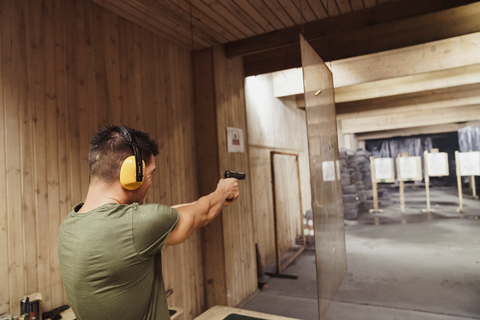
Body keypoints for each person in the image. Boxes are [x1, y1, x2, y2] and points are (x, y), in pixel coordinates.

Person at [57, 125, 239, 320]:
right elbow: (202, 214)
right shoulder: (138, 225)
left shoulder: (70, 224)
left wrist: (209, 199)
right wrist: (222, 191)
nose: (150, 182)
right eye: (149, 174)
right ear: (131, 174)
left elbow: (163, 215)